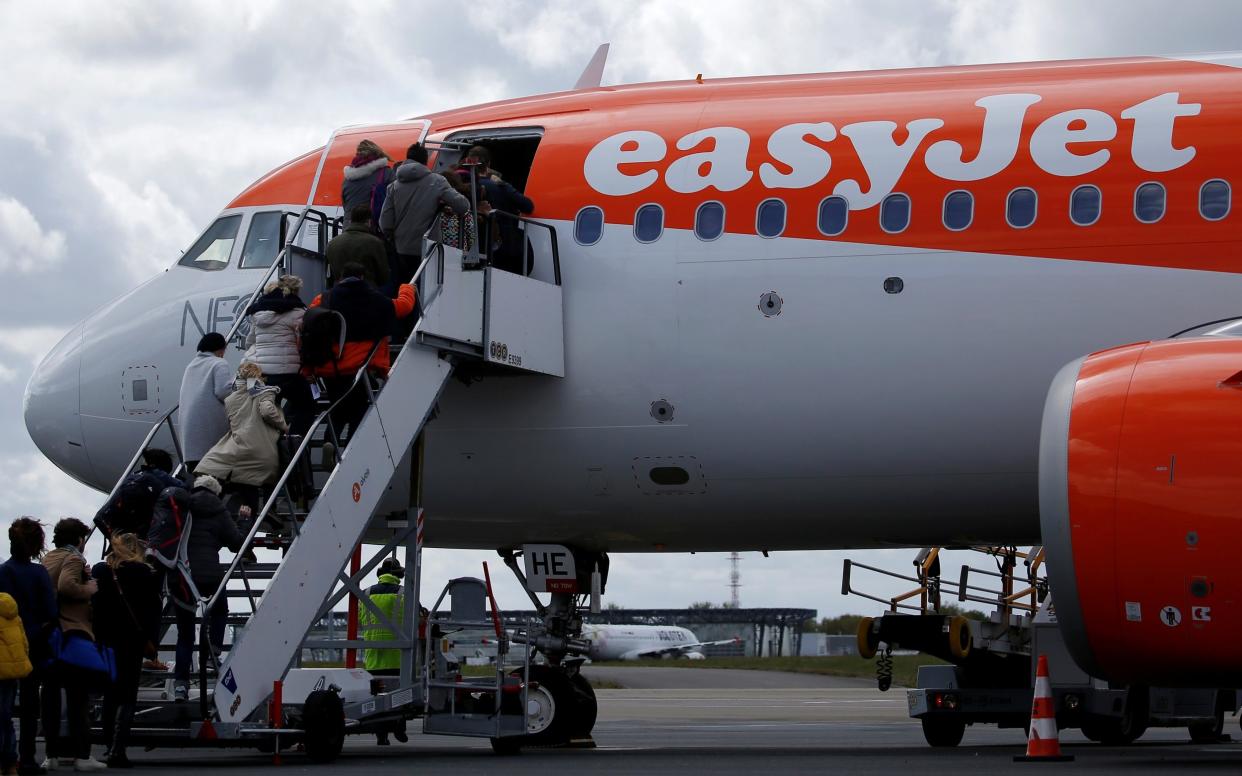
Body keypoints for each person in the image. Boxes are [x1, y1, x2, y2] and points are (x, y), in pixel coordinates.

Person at [304, 264, 416, 444]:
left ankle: (329, 442)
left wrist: (308, 369)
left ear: (339, 278)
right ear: (362, 277)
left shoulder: (323, 299)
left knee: (337, 406)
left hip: (330, 366)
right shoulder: (375, 298)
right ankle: (348, 448)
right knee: (360, 409)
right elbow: (403, 307)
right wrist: (406, 288)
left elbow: (309, 327)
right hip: (359, 367)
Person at [40, 519, 105, 771]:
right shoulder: (74, 558)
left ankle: (51, 754)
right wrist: (89, 588)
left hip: (51, 635)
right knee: (78, 699)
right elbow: (66, 586)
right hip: (74, 632)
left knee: (51, 697)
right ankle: (82, 755)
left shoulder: (48, 559)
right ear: (79, 539)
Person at [90, 533, 159, 769]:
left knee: (109, 694)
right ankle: (119, 749)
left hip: (106, 640)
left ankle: (109, 745)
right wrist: (150, 642)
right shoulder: (145, 573)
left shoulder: (101, 571)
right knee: (128, 695)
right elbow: (153, 611)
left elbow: (94, 605)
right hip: (134, 641)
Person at [172, 476, 243, 703]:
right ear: (217, 492)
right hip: (211, 575)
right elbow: (236, 542)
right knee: (220, 611)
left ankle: (181, 686)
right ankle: (213, 651)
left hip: (183, 574)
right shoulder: (219, 510)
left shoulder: (182, 507)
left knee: (185, 634)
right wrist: (242, 522)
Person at [194, 363, 289, 520]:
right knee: (267, 477)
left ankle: (216, 516)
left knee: (239, 484)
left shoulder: (231, 399)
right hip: (259, 450)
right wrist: (284, 426)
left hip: (236, 450)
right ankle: (267, 510)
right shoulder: (265, 392)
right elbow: (267, 411)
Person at [0, 518, 53, 776]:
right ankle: (28, 758)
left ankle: (7, 758)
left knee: (4, 707)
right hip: (34, 646)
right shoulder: (39, 573)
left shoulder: (3, 572)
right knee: (31, 708)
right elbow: (50, 613)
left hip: (6, 648)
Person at [378, 143, 469, 283]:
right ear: (425, 161)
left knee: (404, 290)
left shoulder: (393, 186)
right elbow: (463, 206)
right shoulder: (437, 181)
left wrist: (392, 238)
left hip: (401, 249)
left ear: (407, 159)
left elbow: (385, 222)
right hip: (428, 250)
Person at [243, 275, 315, 438]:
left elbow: (250, 343)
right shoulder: (298, 312)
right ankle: (293, 441)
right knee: (307, 405)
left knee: (268, 410)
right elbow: (303, 341)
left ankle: (273, 445)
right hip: (287, 374)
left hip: (262, 375)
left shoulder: (258, 313)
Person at [462, 145, 535, 274]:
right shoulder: (499, 186)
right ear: (488, 164)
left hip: (473, 247)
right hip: (504, 245)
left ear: (468, 162)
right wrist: (502, 183)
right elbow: (528, 206)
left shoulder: (461, 187)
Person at [359, 557, 408, 746]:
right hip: (397, 656)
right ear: (399, 575)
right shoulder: (404, 593)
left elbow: (362, 620)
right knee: (401, 695)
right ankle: (399, 727)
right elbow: (414, 618)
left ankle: (381, 735)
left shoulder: (366, 593)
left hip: (372, 658)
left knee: (377, 699)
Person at [93, 448, 181, 540]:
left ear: (151, 464)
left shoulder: (138, 477)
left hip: (112, 527)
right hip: (133, 536)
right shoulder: (164, 486)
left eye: (145, 463)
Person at [178, 332, 233, 473]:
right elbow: (223, 392)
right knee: (216, 479)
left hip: (190, 435)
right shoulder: (219, 363)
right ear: (220, 348)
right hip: (209, 431)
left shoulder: (191, 366)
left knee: (199, 479)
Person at [325, 204, 390, 289]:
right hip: (367, 293)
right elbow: (384, 277)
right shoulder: (375, 243)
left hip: (339, 292)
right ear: (369, 222)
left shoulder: (332, 244)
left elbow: (330, 275)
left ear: (350, 221)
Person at [341, 139, 392, 228]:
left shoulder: (347, 179)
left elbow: (345, 206)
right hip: (372, 231)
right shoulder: (387, 174)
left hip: (349, 229)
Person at [436, 172, 477, 252]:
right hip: (459, 253)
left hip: (437, 252)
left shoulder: (435, 209)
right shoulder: (463, 208)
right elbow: (471, 235)